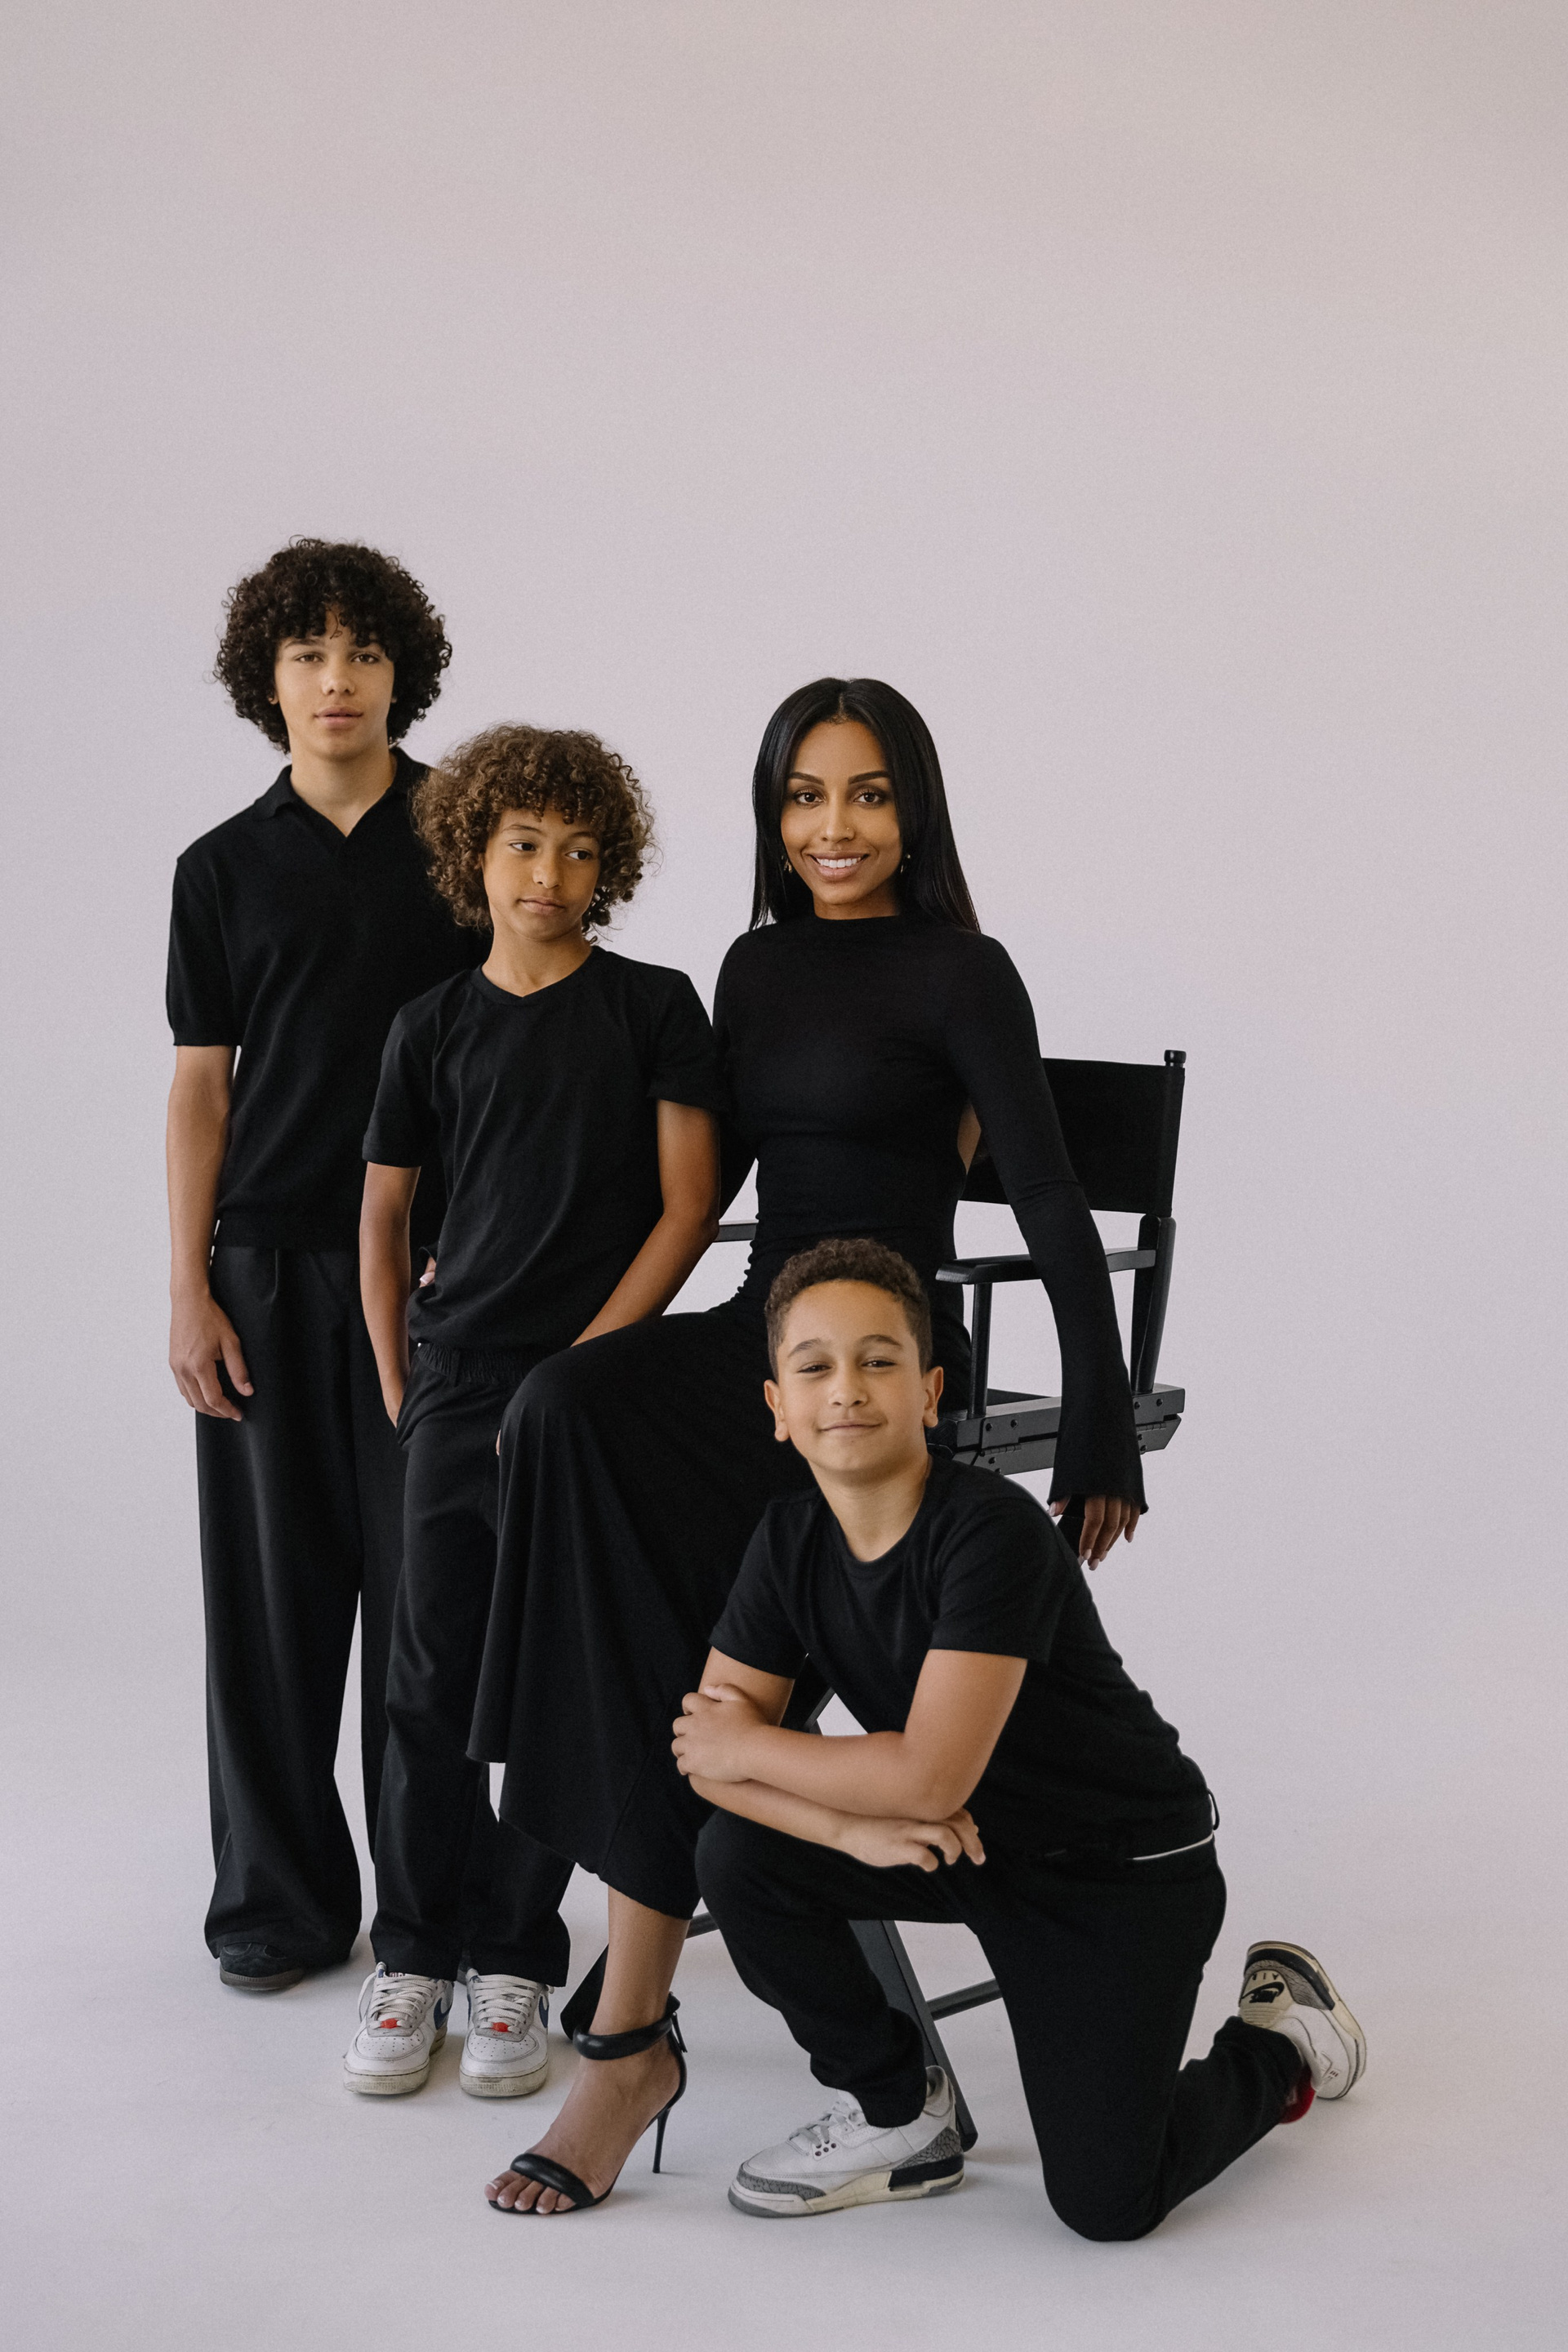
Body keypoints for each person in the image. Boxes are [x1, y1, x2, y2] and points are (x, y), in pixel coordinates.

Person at [479, 679, 1148, 2216]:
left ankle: (624, 2034)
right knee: (559, 1417)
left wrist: (1100, 1413)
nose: (833, 827)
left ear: (915, 809)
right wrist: (523, 1267)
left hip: (883, 1358)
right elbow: (696, 1177)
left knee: (646, 1586)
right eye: (803, 796)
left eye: (866, 793)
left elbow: (1049, 1192)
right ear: (772, 815)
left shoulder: (962, 970)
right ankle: (625, 2002)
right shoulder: (755, 965)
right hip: (760, 1343)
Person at [679, 1239, 1365, 2235]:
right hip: (962, 1844)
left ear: (929, 1392)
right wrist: (849, 1830)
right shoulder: (788, 1538)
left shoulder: (990, 1531)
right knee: (738, 1853)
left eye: (879, 1360)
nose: (847, 1389)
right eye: (814, 1367)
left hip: (1116, 1869)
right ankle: (899, 2114)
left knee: (1107, 2205)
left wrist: (753, 1750)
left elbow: (910, 1772)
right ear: (779, 1406)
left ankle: (1282, 2040)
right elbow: (703, 1760)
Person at [342, 725, 720, 2100]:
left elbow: (689, 1208)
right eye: (522, 844)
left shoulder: (654, 1008)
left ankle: (515, 1956)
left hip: (589, 1398)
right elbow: (383, 1218)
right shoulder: (429, 1027)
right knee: (427, 1673)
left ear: (608, 867)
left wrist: (581, 1375)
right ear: (474, 853)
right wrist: (401, 1383)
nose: (548, 874)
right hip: (455, 1384)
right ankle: (412, 1953)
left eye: (577, 849)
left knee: (551, 1675)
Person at [166, 538, 479, 1992]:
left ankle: (438, 1916)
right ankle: (276, 1909)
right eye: (308, 653)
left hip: (441, 1277)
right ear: (268, 679)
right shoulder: (220, 869)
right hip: (268, 1276)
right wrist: (190, 1286)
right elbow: (202, 1088)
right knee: (271, 1615)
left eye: (363, 650)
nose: (337, 678)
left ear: (403, 671)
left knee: (433, 1609)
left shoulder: (469, 843)